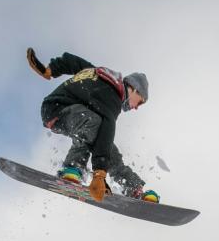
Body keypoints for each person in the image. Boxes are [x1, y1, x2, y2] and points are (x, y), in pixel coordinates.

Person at [27, 48, 159, 204]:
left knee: (108, 147)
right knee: (95, 124)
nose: (136, 107)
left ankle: (134, 189)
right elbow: (108, 127)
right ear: (134, 89)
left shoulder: (99, 75)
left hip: (71, 112)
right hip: (57, 108)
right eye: (140, 101)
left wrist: (51, 70)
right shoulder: (113, 96)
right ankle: (73, 168)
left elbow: (72, 62)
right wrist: (99, 175)